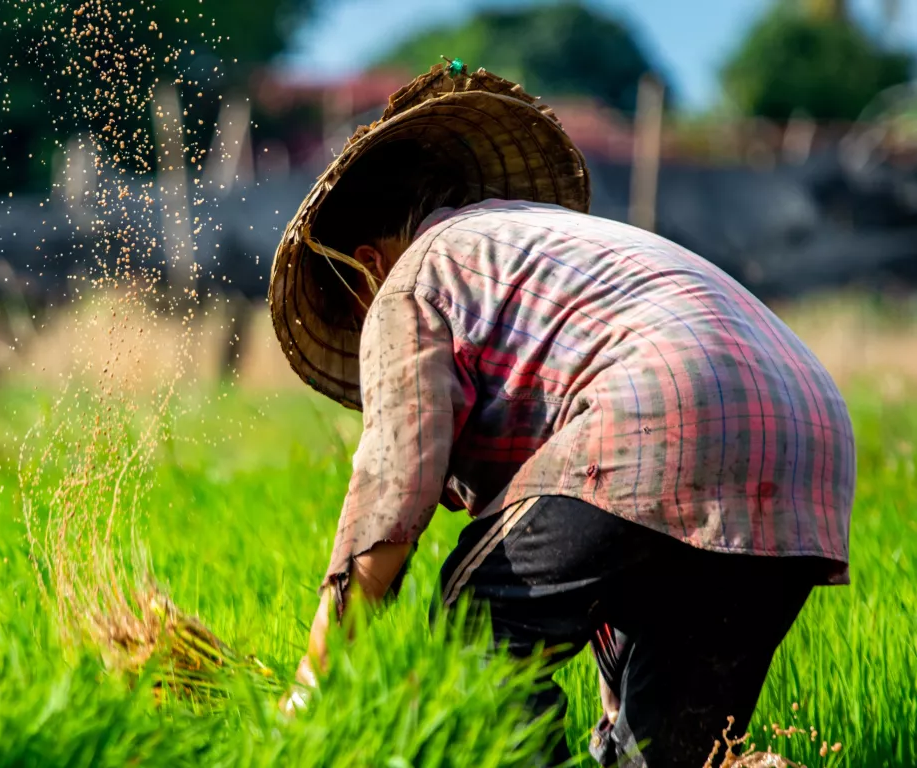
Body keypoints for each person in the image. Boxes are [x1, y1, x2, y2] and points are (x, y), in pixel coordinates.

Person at [271, 60, 854, 768]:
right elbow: (602, 541)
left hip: (667, 399)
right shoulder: (543, 243)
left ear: (366, 263)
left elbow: (393, 487)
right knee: (655, 758)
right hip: (810, 439)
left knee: (473, 620)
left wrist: (311, 686)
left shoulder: (411, 276)